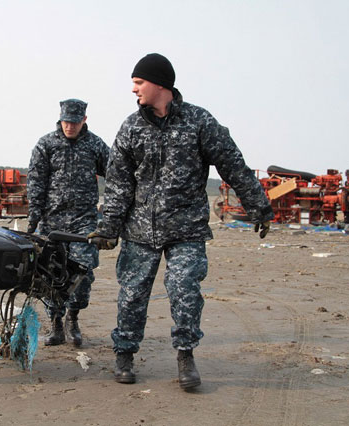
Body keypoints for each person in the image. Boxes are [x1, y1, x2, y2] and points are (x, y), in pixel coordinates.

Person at [88, 53, 273, 389]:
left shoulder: (199, 122)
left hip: (185, 229)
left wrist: (258, 206)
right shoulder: (131, 127)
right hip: (140, 230)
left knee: (185, 289)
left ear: (160, 84)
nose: (133, 89)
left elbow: (233, 164)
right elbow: (118, 183)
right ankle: (125, 354)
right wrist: (109, 227)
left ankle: (186, 355)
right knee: (131, 294)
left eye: (139, 82)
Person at [27, 99, 110, 347]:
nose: (69, 126)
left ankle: (73, 319)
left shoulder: (95, 145)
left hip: (84, 222)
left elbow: (117, 174)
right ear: (60, 118)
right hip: (53, 222)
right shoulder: (46, 144)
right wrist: (33, 217)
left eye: (74, 122)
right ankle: (55, 322)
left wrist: (110, 214)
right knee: (50, 272)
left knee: (83, 270)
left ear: (84, 120)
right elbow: (36, 181)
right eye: (65, 121)